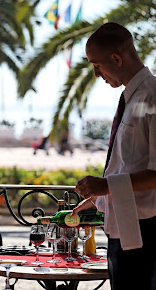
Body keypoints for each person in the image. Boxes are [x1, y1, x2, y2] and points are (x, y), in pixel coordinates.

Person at [71, 22, 156, 290]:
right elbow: (129, 164)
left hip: (146, 232)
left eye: (96, 65)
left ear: (117, 58)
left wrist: (106, 186)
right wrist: (100, 198)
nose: (96, 74)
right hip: (123, 224)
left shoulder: (153, 97)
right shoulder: (131, 98)